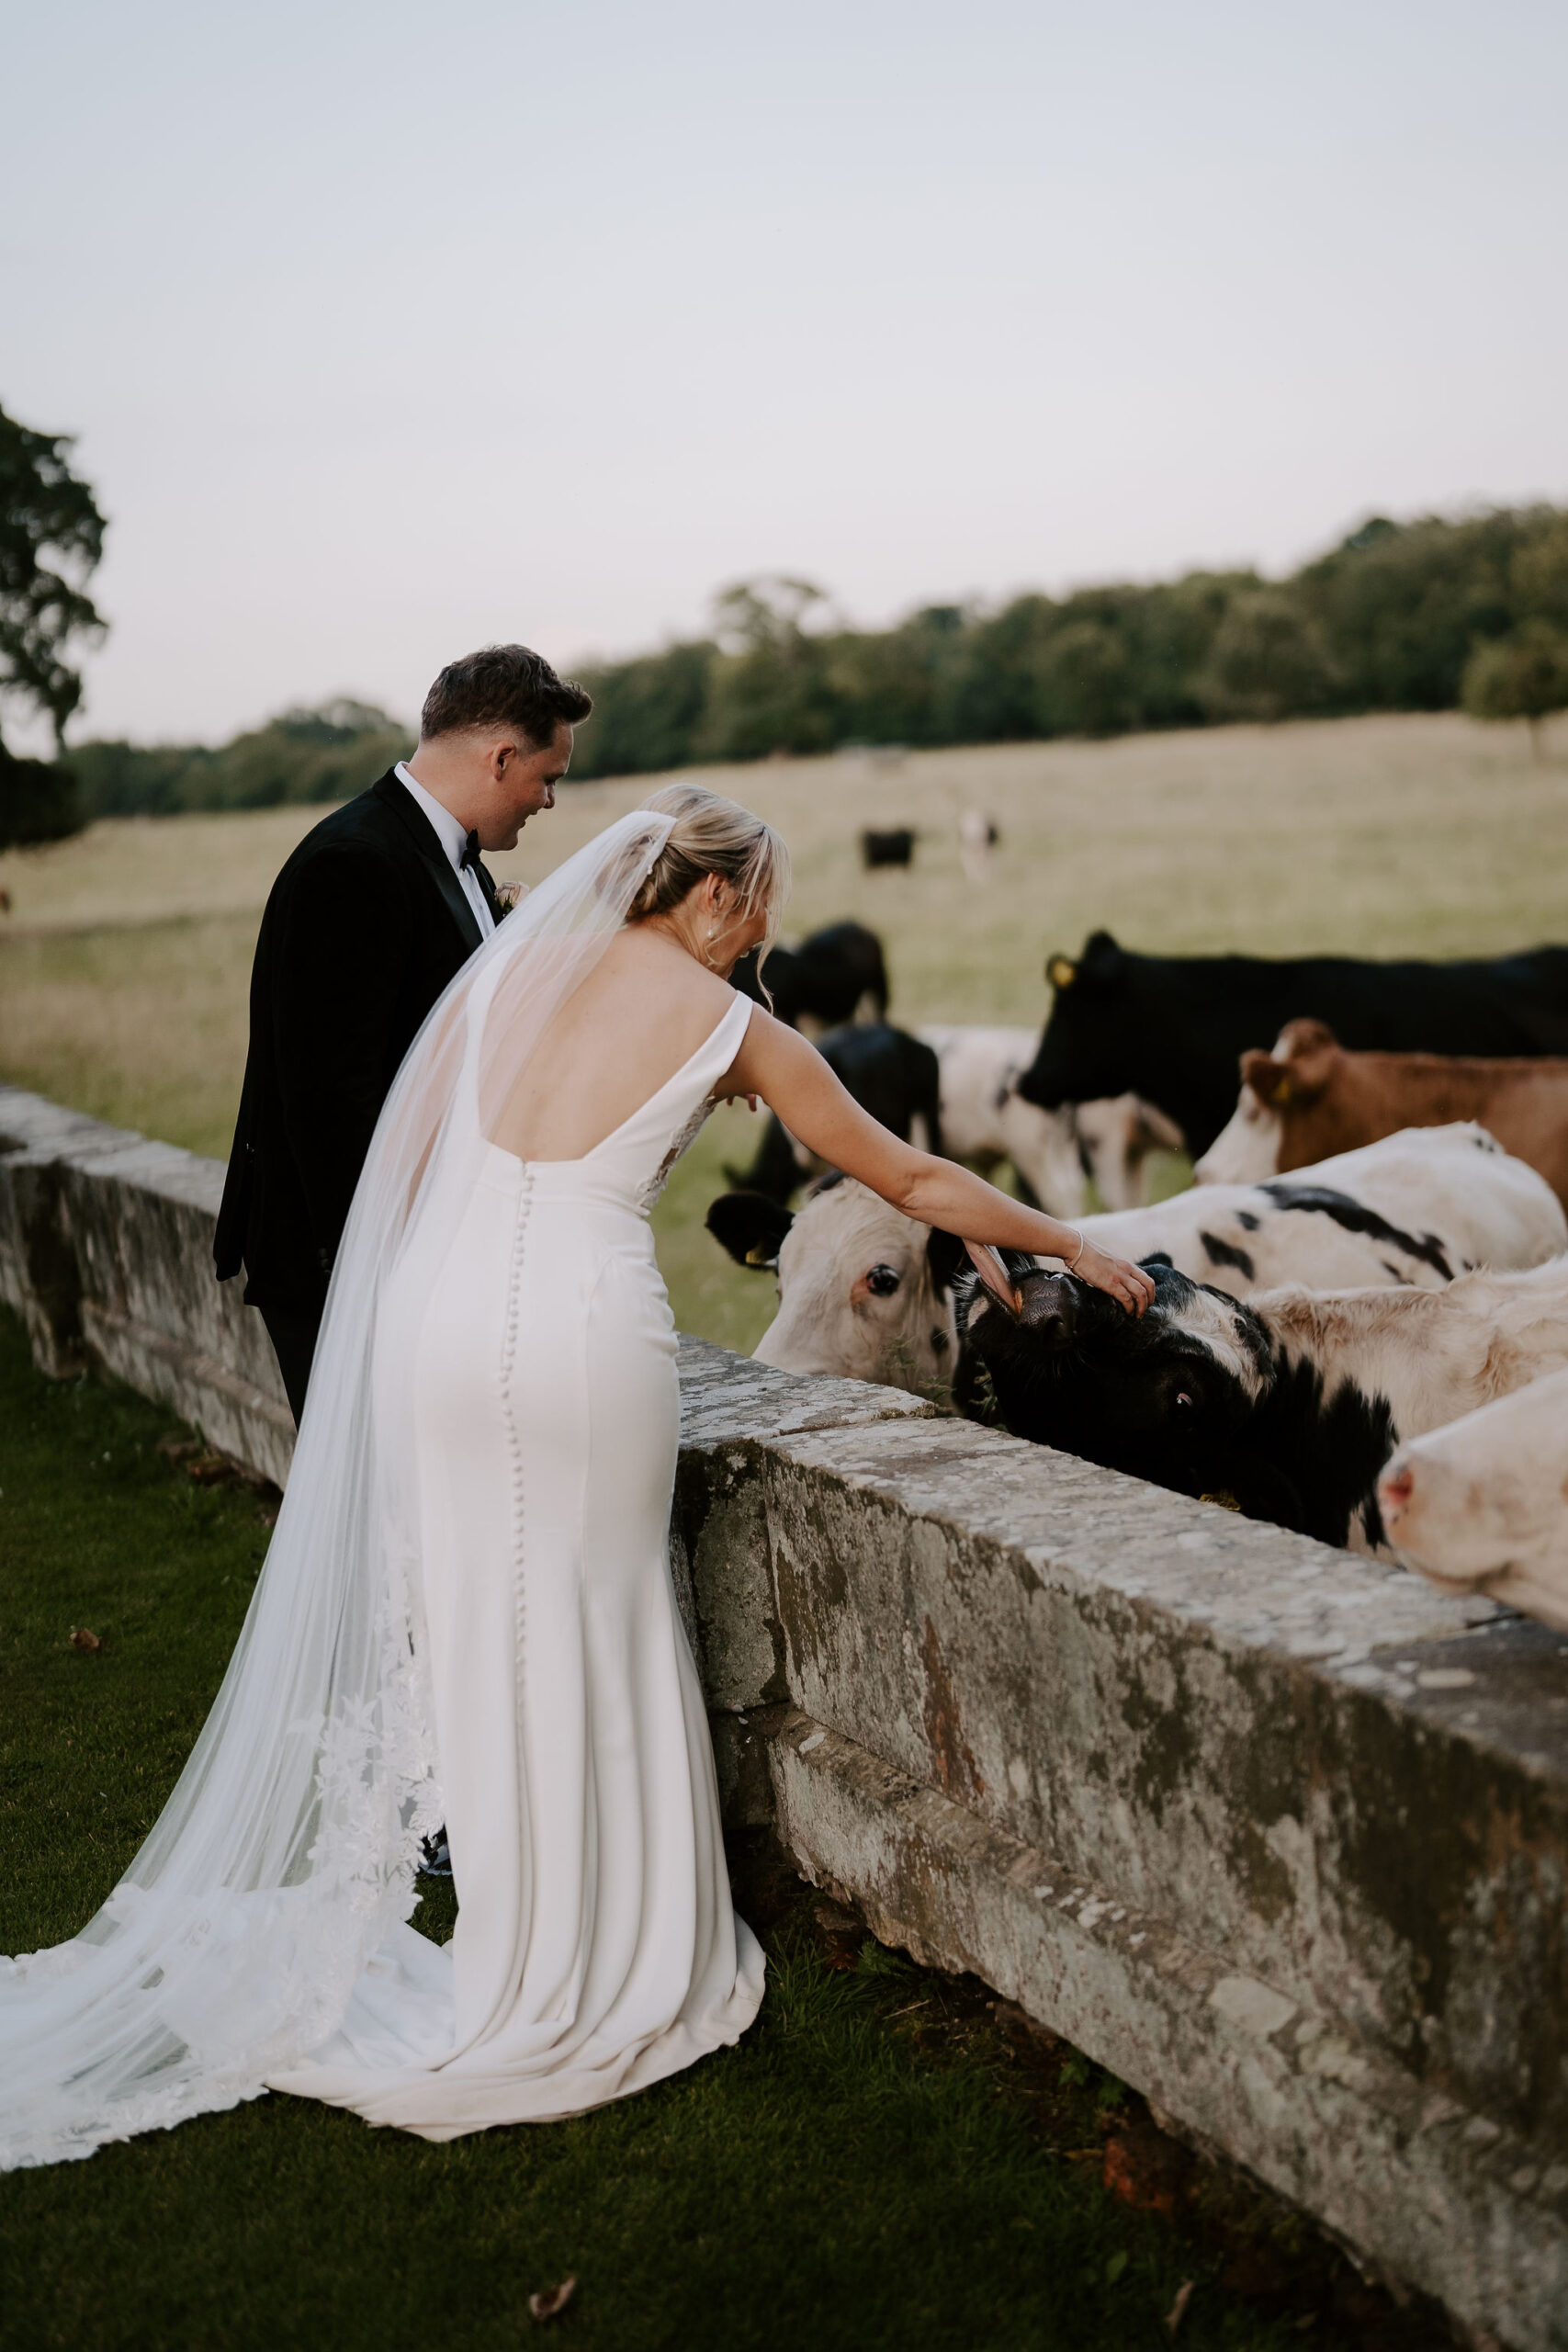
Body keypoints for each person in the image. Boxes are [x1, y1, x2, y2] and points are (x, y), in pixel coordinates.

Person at [0, 785, 1153, 2166]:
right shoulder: (732, 1023)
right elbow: (909, 1176)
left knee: (486, 1626)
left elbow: (410, 1160)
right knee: (600, 1618)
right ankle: (602, 1963)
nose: (756, 946)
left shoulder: (505, 980)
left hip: (437, 1323)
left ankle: (513, 1943)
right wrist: (1069, 1244)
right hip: (577, 1338)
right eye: (755, 917)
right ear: (716, 897)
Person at [214, 642, 590, 1424]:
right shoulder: (354, 864)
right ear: (500, 756)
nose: (547, 802)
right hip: (349, 1264)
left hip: (417, 1243)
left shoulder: (447, 856)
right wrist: (396, 1272)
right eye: (546, 780)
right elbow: (329, 1103)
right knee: (375, 1517)